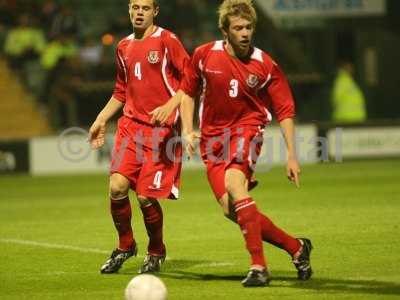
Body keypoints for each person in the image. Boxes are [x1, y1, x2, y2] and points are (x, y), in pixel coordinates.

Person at [151, 0, 313, 287]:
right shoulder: (203, 55)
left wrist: (292, 155)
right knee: (231, 209)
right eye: (238, 27)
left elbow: (285, 111)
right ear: (225, 30)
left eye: (249, 27)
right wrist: (188, 130)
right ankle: (296, 248)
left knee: (236, 186)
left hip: (246, 131)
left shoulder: (265, 64)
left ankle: (259, 267)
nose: (245, 33)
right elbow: (187, 92)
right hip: (212, 141)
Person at [89, 0, 189, 274]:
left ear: (155, 11)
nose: (139, 12)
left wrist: (171, 106)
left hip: (163, 132)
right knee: (117, 187)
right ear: (129, 10)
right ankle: (125, 245)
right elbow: (121, 91)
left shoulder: (168, 41)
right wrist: (101, 119)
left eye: (145, 8)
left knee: (145, 196)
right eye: (135, 7)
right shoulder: (123, 46)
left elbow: (192, 82)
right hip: (130, 128)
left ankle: (156, 249)